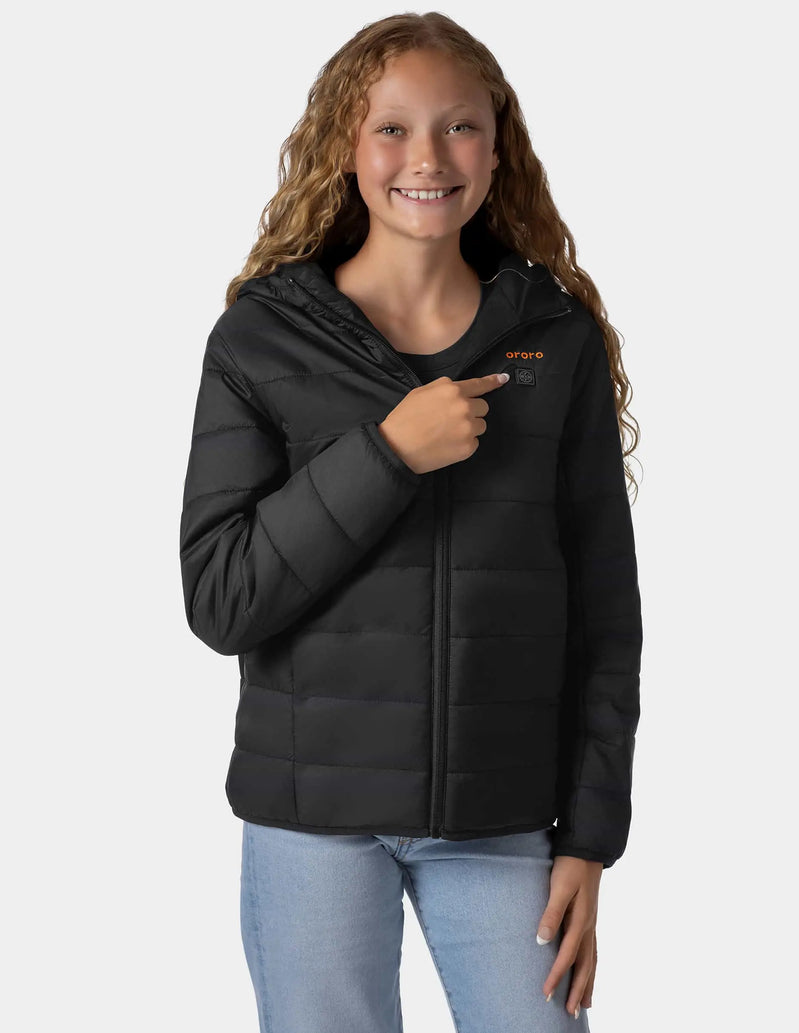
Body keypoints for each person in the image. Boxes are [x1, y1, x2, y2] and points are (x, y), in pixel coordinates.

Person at [179, 11, 643, 1033]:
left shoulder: (552, 339)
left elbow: (606, 612)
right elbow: (221, 597)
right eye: (391, 128)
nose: (427, 157)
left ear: (498, 146)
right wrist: (387, 453)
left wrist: (588, 839)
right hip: (312, 823)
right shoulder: (262, 340)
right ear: (345, 149)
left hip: (503, 821)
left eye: (459, 126)